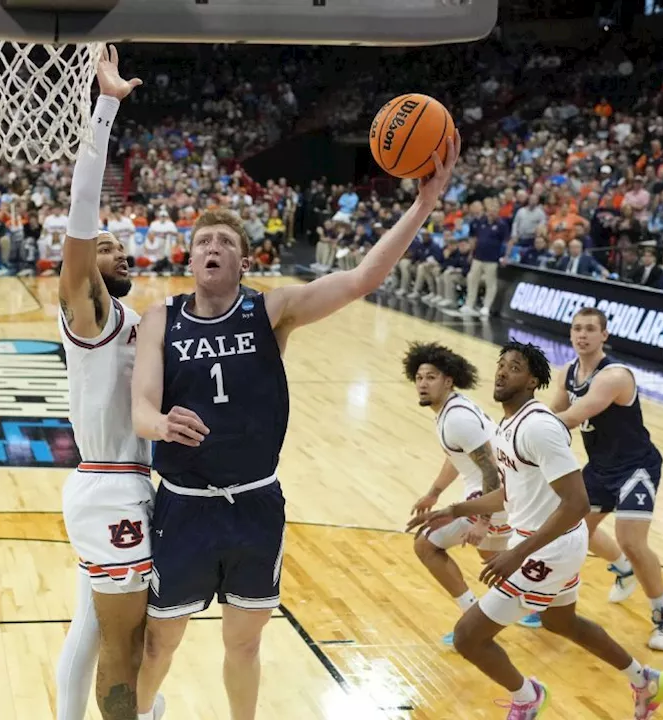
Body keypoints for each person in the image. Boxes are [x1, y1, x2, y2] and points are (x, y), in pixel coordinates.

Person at [132, 133, 460, 719]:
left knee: (246, 641)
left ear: (242, 260)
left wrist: (422, 203)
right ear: (189, 257)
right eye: (202, 241)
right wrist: (159, 424)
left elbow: (361, 280)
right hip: (183, 504)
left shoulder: (272, 310)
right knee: (160, 641)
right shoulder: (162, 317)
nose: (212, 248)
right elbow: (141, 408)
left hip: (255, 505)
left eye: (224, 243)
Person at [408, 342, 663, 719]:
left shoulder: (539, 427)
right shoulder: (508, 425)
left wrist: (518, 553)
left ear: (532, 380)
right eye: (500, 365)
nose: (502, 372)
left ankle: (527, 697)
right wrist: (455, 508)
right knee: (560, 621)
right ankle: (644, 679)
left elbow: (577, 504)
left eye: (513, 367)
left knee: (469, 638)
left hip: (548, 547)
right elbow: (509, 492)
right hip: (542, 541)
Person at [51, 46, 165, 720]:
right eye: (103, 247)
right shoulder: (87, 313)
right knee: (128, 643)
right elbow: (80, 214)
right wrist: (107, 106)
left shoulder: (128, 319)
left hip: (116, 483)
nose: (115, 248)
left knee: (95, 630)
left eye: (121, 245)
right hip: (111, 483)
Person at [549, 307, 663, 651]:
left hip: (636, 467)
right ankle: (622, 570)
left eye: (590, 329)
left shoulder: (614, 376)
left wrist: (523, 428)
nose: (582, 335)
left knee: (633, 541)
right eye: (577, 328)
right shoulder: (566, 373)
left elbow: (573, 416)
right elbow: (553, 414)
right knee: (574, 529)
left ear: (604, 335)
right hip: (600, 467)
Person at [404, 342, 532, 645]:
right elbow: (457, 455)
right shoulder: (450, 411)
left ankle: (473, 619)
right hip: (499, 495)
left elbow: (490, 470)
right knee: (496, 562)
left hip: (494, 497)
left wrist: (482, 521)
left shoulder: (457, 418)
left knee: (425, 545)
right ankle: (542, 600)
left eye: (431, 377)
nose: (423, 383)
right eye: (420, 377)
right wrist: (434, 493)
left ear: (448, 380)